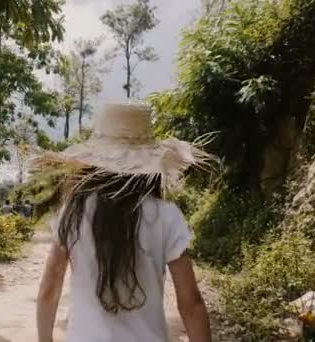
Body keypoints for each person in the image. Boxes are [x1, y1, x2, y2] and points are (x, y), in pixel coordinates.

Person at [35, 102, 214, 342]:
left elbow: (49, 289)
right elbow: (191, 303)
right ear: (148, 164)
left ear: (93, 162)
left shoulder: (74, 213)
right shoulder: (166, 215)